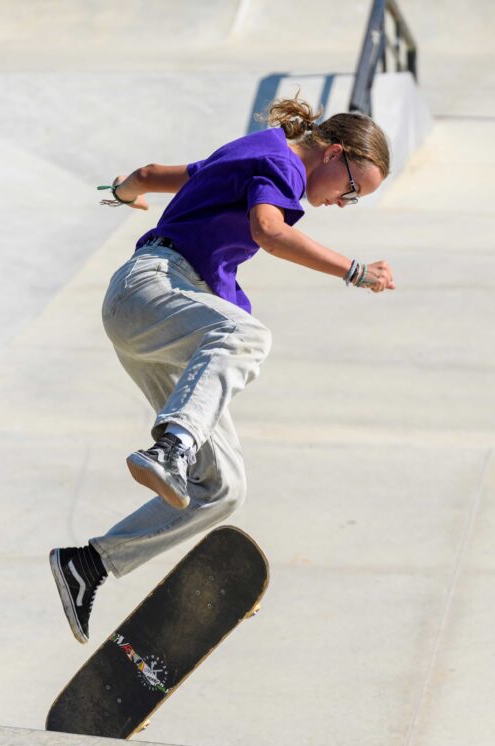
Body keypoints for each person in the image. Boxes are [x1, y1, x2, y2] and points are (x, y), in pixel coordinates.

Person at [50, 95, 395, 643]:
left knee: (223, 489)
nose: (343, 203)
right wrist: (354, 271)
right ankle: (172, 446)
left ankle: (89, 564)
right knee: (245, 335)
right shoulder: (281, 164)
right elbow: (269, 232)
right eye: (351, 191)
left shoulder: (250, 153)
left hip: (159, 325)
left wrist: (124, 192)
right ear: (333, 153)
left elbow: (151, 174)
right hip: (155, 288)